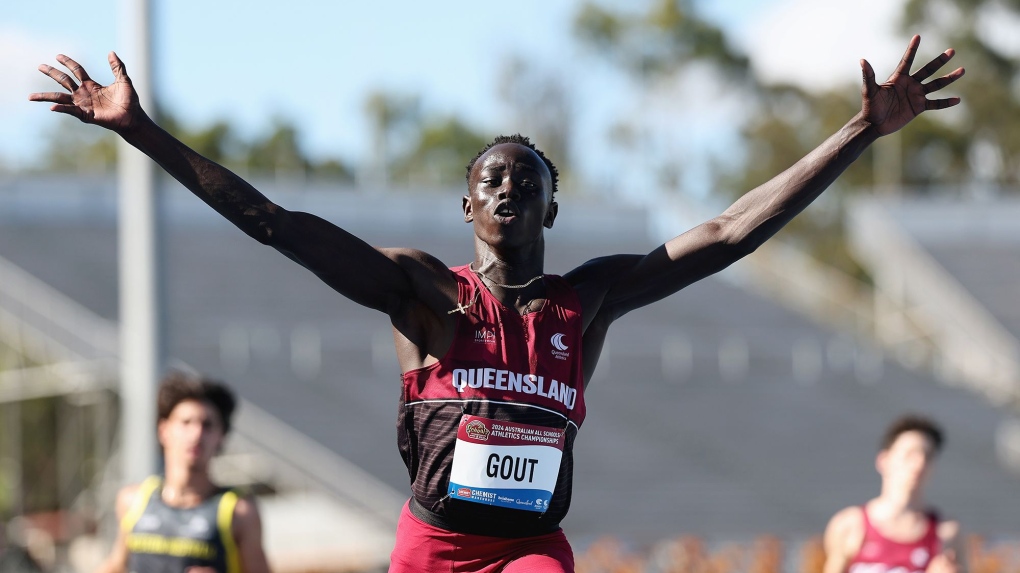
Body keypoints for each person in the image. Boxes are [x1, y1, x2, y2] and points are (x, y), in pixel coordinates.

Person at [31, 36, 963, 573]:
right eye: (491, 178)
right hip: (432, 541)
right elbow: (271, 220)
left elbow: (728, 233)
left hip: (529, 548)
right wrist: (139, 130)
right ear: (468, 206)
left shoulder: (587, 298)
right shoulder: (422, 291)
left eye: (528, 177)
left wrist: (858, 131)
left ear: (552, 204)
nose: (509, 186)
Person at [96, 373, 270, 573]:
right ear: (164, 430)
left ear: (221, 436)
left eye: (207, 425)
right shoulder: (133, 501)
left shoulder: (239, 512)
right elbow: (117, 564)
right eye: (186, 422)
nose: (196, 434)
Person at [822, 415, 964, 573]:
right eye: (910, 454)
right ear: (884, 460)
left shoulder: (946, 533)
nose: (919, 463)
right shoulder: (849, 525)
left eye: (928, 456)